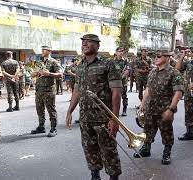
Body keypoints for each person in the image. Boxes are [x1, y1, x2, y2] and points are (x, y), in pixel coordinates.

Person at [66, 34, 122, 180]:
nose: (84, 44)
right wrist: (70, 110)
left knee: (108, 150)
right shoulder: (80, 66)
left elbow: (116, 93)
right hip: (85, 118)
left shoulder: (108, 64)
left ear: (97, 45)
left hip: (104, 118)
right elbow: (77, 90)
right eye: (83, 42)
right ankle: (95, 176)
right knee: (89, 149)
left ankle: (113, 177)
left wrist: (115, 119)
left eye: (88, 41)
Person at [133, 50, 183, 165]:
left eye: (158, 56)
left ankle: (167, 152)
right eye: (154, 56)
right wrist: (142, 105)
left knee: (166, 131)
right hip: (151, 108)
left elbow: (178, 92)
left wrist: (171, 109)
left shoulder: (174, 73)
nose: (155, 58)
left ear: (167, 57)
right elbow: (148, 90)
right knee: (147, 129)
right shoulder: (152, 72)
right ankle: (146, 148)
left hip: (164, 109)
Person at [31, 46, 62, 137]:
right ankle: (41, 127)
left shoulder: (54, 62)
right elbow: (32, 74)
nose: (42, 51)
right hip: (39, 90)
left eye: (44, 50)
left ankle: (53, 128)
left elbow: (60, 74)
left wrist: (49, 74)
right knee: (39, 109)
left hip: (49, 90)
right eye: (42, 50)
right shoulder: (39, 62)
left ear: (49, 51)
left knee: (51, 110)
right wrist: (36, 73)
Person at [175, 48, 193, 140]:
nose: (190, 53)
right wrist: (182, 56)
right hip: (189, 93)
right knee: (189, 111)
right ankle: (190, 133)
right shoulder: (189, 63)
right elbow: (177, 68)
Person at [113, 47, 129, 116]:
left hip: (123, 81)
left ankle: (124, 110)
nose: (121, 52)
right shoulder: (112, 61)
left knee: (124, 96)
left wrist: (121, 77)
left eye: (122, 51)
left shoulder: (125, 61)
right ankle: (113, 111)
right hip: (114, 81)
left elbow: (127, 71)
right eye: (120, 51)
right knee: (113, 96)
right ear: (116, 52)